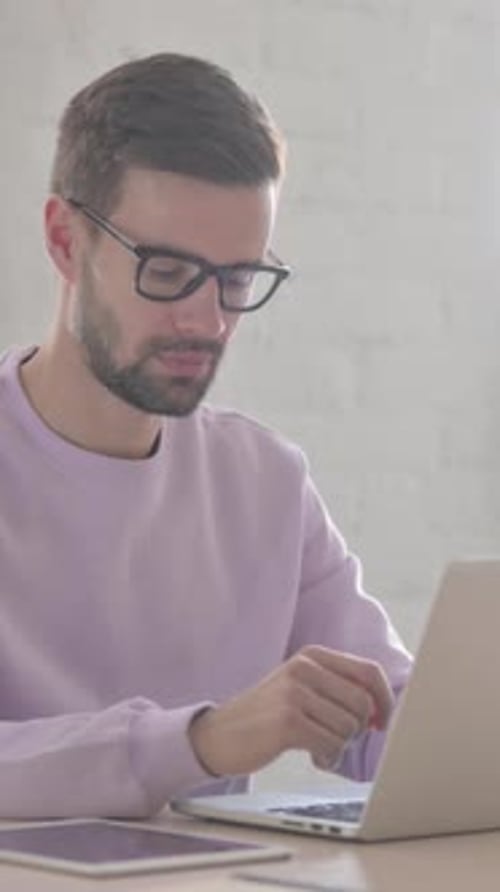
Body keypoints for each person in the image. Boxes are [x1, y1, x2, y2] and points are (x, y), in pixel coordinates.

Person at [0, 52, 412, 820]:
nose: (207, 319)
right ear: (64, 242)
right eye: (166, 270)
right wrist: (203, 741)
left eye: (236, 278)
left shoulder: (264, 482)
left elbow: (392, 711)